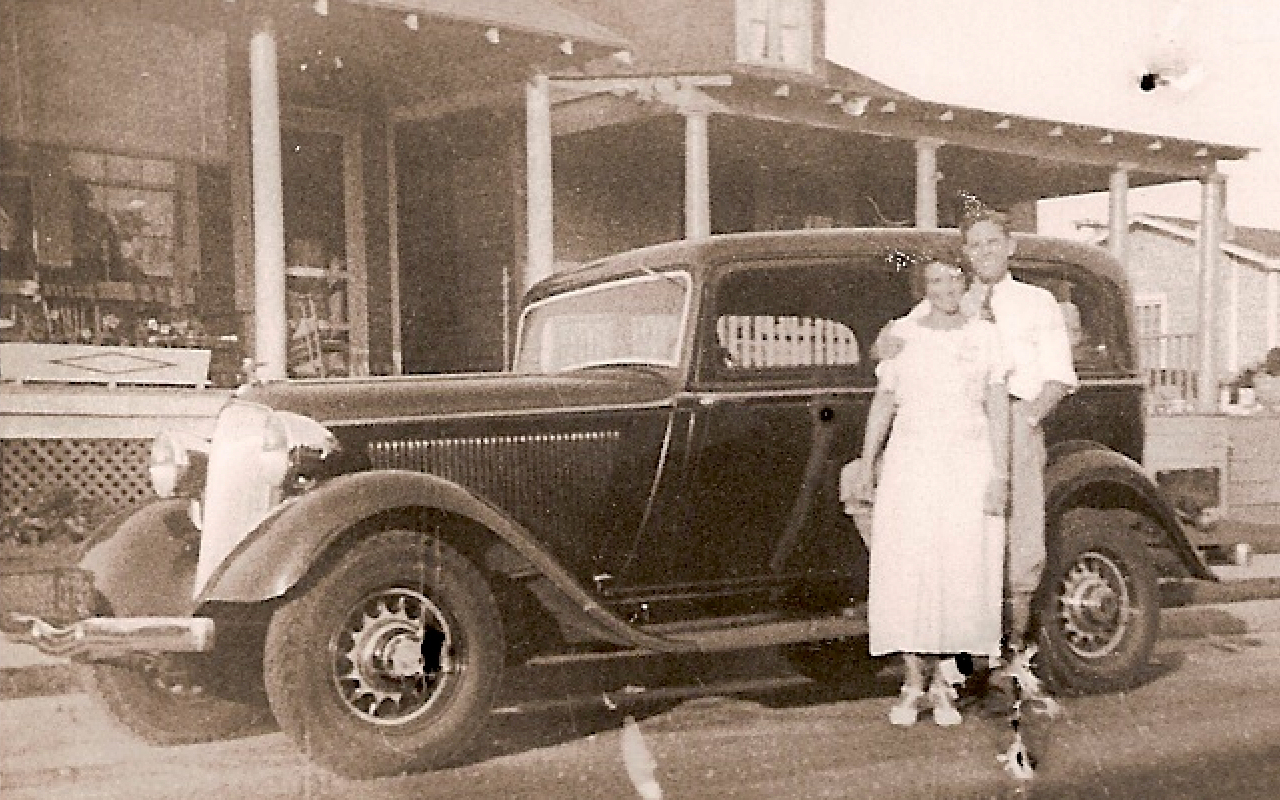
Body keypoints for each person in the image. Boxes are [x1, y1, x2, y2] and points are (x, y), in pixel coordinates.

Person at [876, 206, 1078, 700]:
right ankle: (948, 656)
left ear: (1010, 246)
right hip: (956, 430)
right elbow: (891, 347)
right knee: (944, 539)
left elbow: (1058, 377)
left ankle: (1009, 659)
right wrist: (886, 342)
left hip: (1013, 419)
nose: (983, 252)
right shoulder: (942, 300)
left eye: (992, 242)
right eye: (974, 245)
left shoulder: (1037, 302)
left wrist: (1023, 423)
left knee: (1019, 545)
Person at [850, 259, 1010, 727]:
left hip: (967, 463)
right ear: (923, 288)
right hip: (912, 462)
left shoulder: (984, 337)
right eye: (936, 281)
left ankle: (946, 685)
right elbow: (884, 402)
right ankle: (912, 683)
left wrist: (999, 474)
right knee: (910, 570)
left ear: (966, 283)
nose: (947, 289)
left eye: (955, 279)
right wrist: (867, 462)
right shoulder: (903, 334)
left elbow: (996, 407)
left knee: (959, 570)